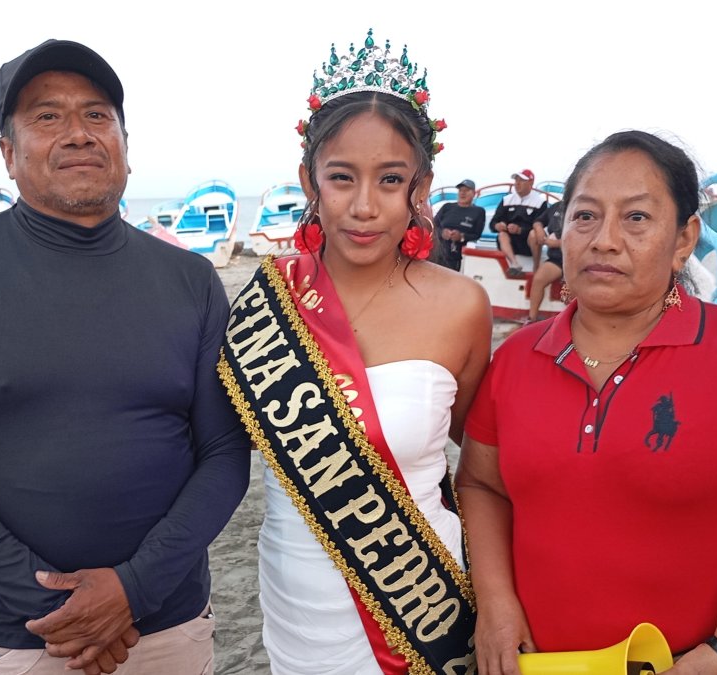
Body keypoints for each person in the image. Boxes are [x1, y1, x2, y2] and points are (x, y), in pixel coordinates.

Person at [0, 39, 251, 675]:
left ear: (125, 145)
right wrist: (68, 610)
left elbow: (224, 452)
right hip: (25, 638)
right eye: (47, 116)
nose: (78, 133)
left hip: (170, 628)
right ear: (8, 153)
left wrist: (134, 591)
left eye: (97, 114)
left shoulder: (190, 279)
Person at [456, 130, 717, 675]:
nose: (604, 240)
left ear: (685, 238)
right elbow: (482, 485)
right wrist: (496, 603)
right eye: (585, 216)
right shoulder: (518, 357)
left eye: (637, 217)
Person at [220, 30, 492, 674]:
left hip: (424, 606)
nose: (364, 206)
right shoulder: (266, 298)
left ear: (421, 186)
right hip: (295, 606)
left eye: (390, 179)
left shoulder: (461, 306)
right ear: (309, 180)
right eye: (341, 178)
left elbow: (484, 471)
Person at [488, 169, 547, 278]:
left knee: (534, 234)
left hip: (528, 243)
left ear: (531, 183)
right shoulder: (506, 200)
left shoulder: (540, 202)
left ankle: (536, 266)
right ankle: (514, 264)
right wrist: (498, 226)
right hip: (510, 241)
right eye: (516, 180)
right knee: (502, 234)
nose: (517, 183)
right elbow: (493, 223)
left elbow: (541, 226)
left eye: (521, 180)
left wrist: (520, 230)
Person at [433, 179, 487, 271]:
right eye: (460, 190)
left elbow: (477, 235)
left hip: (456, 255)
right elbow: (432, 226)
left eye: (466, 190)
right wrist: (442, 233)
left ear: (474, 193)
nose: (462, 193)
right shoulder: (447, 206)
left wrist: (461, 236)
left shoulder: (479, 211)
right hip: (437, 251)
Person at [525, 200, 564, 323]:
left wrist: (557, 243)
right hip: (557, 259)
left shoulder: (584, 207)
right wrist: (539, 228)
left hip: (577, 260)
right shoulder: (556, 206)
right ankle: (532, 319)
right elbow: (538, 220)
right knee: (538, 279)